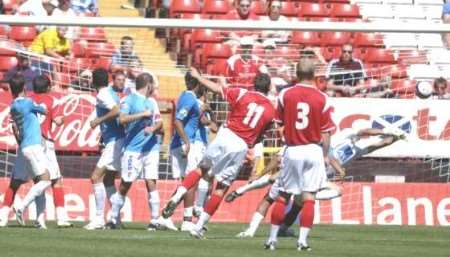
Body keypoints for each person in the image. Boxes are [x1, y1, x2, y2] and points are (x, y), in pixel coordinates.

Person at [162, 68, 276, 238]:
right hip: (240, 145)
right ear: (268, 88)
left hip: (225, 134)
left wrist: (198, 76)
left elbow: (217, 88)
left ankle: (177, 196)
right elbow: (264, 134)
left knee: (201, 169)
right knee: (221, 187)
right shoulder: (271, 110)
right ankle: (198, 227)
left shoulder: (242, 93)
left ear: (254, 85)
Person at [230, 127, 406, 238]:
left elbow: (379, 144)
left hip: (317, 178)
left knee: (330, 193)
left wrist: (395, 137)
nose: (366, 137)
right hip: (307, 168)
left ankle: (284, 226)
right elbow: (364, 133)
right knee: (273, 181)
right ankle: (242, 190)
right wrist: (385, 130)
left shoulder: (359, 150)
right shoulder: (346, 135)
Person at [264, 57, 335, 251]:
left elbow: (278, 123)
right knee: (309, 197)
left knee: (283, 196)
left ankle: (271, 240)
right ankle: (302, 242)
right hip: (313, 150)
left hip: (293, 149)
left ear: (297, 74)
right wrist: (325, 155)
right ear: (314, 75)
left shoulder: (285, 94)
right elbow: (326, 132)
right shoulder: (322, 98)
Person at [106, 73, 165, 230]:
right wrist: (142, 115)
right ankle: (113, 219)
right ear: (148, 85)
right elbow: (122, 119)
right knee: (126, 183)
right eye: (153, 85)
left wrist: (153, 128)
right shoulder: (129, 100)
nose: (154, 88)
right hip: (133, 149)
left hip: (151, 148)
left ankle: (154, 220)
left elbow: (159, 122)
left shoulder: (152, 101)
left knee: (151, 181)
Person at [4, 74, 52, 226]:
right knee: (46, 180)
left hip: (23, 146)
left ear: (11, 90)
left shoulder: (13, 107)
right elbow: (44, 111)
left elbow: (15, 127)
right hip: (34, 146)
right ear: (24, 88)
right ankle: (22, 207)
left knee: (23, 182)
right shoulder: (28, 102)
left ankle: (39, 221)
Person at [84, 68, 125, 230]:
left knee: (95, 177)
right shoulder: (109, 92)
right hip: (115, 140)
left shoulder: (102, 95)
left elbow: (116, 111)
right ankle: (116, 219)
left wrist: (98, 120)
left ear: (93, 82)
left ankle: (99, 217)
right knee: (108, 180)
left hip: (115, 142)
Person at [168, 72, 205, 231]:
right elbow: (177, 121)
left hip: (181, 143)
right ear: (198, 83)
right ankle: (187, 221)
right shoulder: (189, 98)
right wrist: (187, 141)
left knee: (187, 182)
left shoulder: (185, 96)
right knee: (192, 180)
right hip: (185, 144)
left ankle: (164, 216)